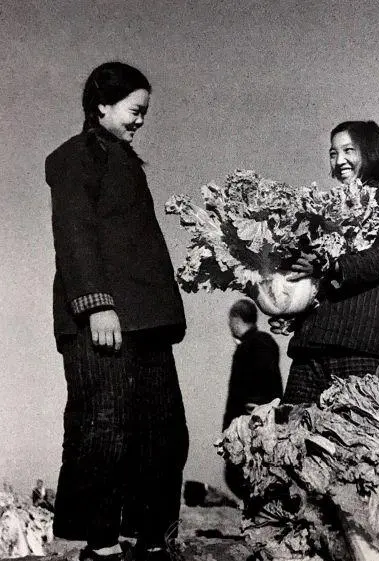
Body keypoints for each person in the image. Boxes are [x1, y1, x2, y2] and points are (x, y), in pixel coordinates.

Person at [45, 62, 189, 561]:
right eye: (135, 110)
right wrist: (96, 305)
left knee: (163, 433)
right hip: (103, 323)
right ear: (102, 105)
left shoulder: (125, 161)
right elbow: (75, 233)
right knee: (103, 428)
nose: (141, 120)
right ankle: (101, 546)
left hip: (147, 325)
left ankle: (151, 541)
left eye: (145, 112)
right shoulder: (74, 156)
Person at [281, 120, 379, 404]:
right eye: (333, 153)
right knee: (289, 431)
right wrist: (292, 309)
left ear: (370, 152)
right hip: (308, 354)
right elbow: (312, 277)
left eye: (348, 150)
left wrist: (328, 264)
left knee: (357, 432)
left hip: (360, 351)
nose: (339, 160)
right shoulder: (321, 214)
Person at [222, 299, 283, 497]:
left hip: (249, 421)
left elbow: (239, 393)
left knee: (242, 475)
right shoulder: (266, 341)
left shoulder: (249, 346)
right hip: (267, 419)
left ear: (236, 319)